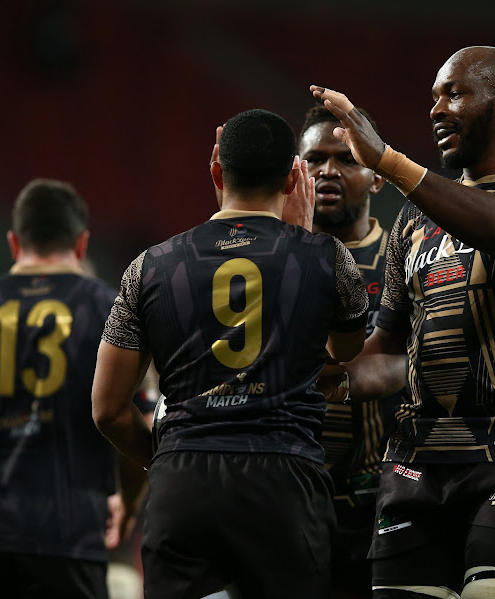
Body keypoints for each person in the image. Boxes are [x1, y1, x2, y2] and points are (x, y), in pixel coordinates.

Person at [310, 44, 495, 599]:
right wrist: (334, 379)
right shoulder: (414, 222)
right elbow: (392, 351)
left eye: (455, 93)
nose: (437, 109)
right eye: (434, 97)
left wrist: (388, 161)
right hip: (419, 463)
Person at [91, 108, 369, 599]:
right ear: (292, 177)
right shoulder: (327, 259)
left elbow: (108, 410)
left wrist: (169, 459)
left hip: (184, 481)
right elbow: (345, 350)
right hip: (284, 484)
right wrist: (304, 242)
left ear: (217, 171)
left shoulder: (148, 267)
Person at [0, 179, 146, 598]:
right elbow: (130, 417)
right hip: (71, 531)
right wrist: (130, 501)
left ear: (14, 243)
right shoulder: (109, 308)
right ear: (82, 244)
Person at [299, 103, 404, 598]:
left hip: (389, 505)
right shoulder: (270, 264)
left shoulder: (407, 261)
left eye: (346, 158)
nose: (328, 171)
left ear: (377, 177)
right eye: (315, 159)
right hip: (293, 501)